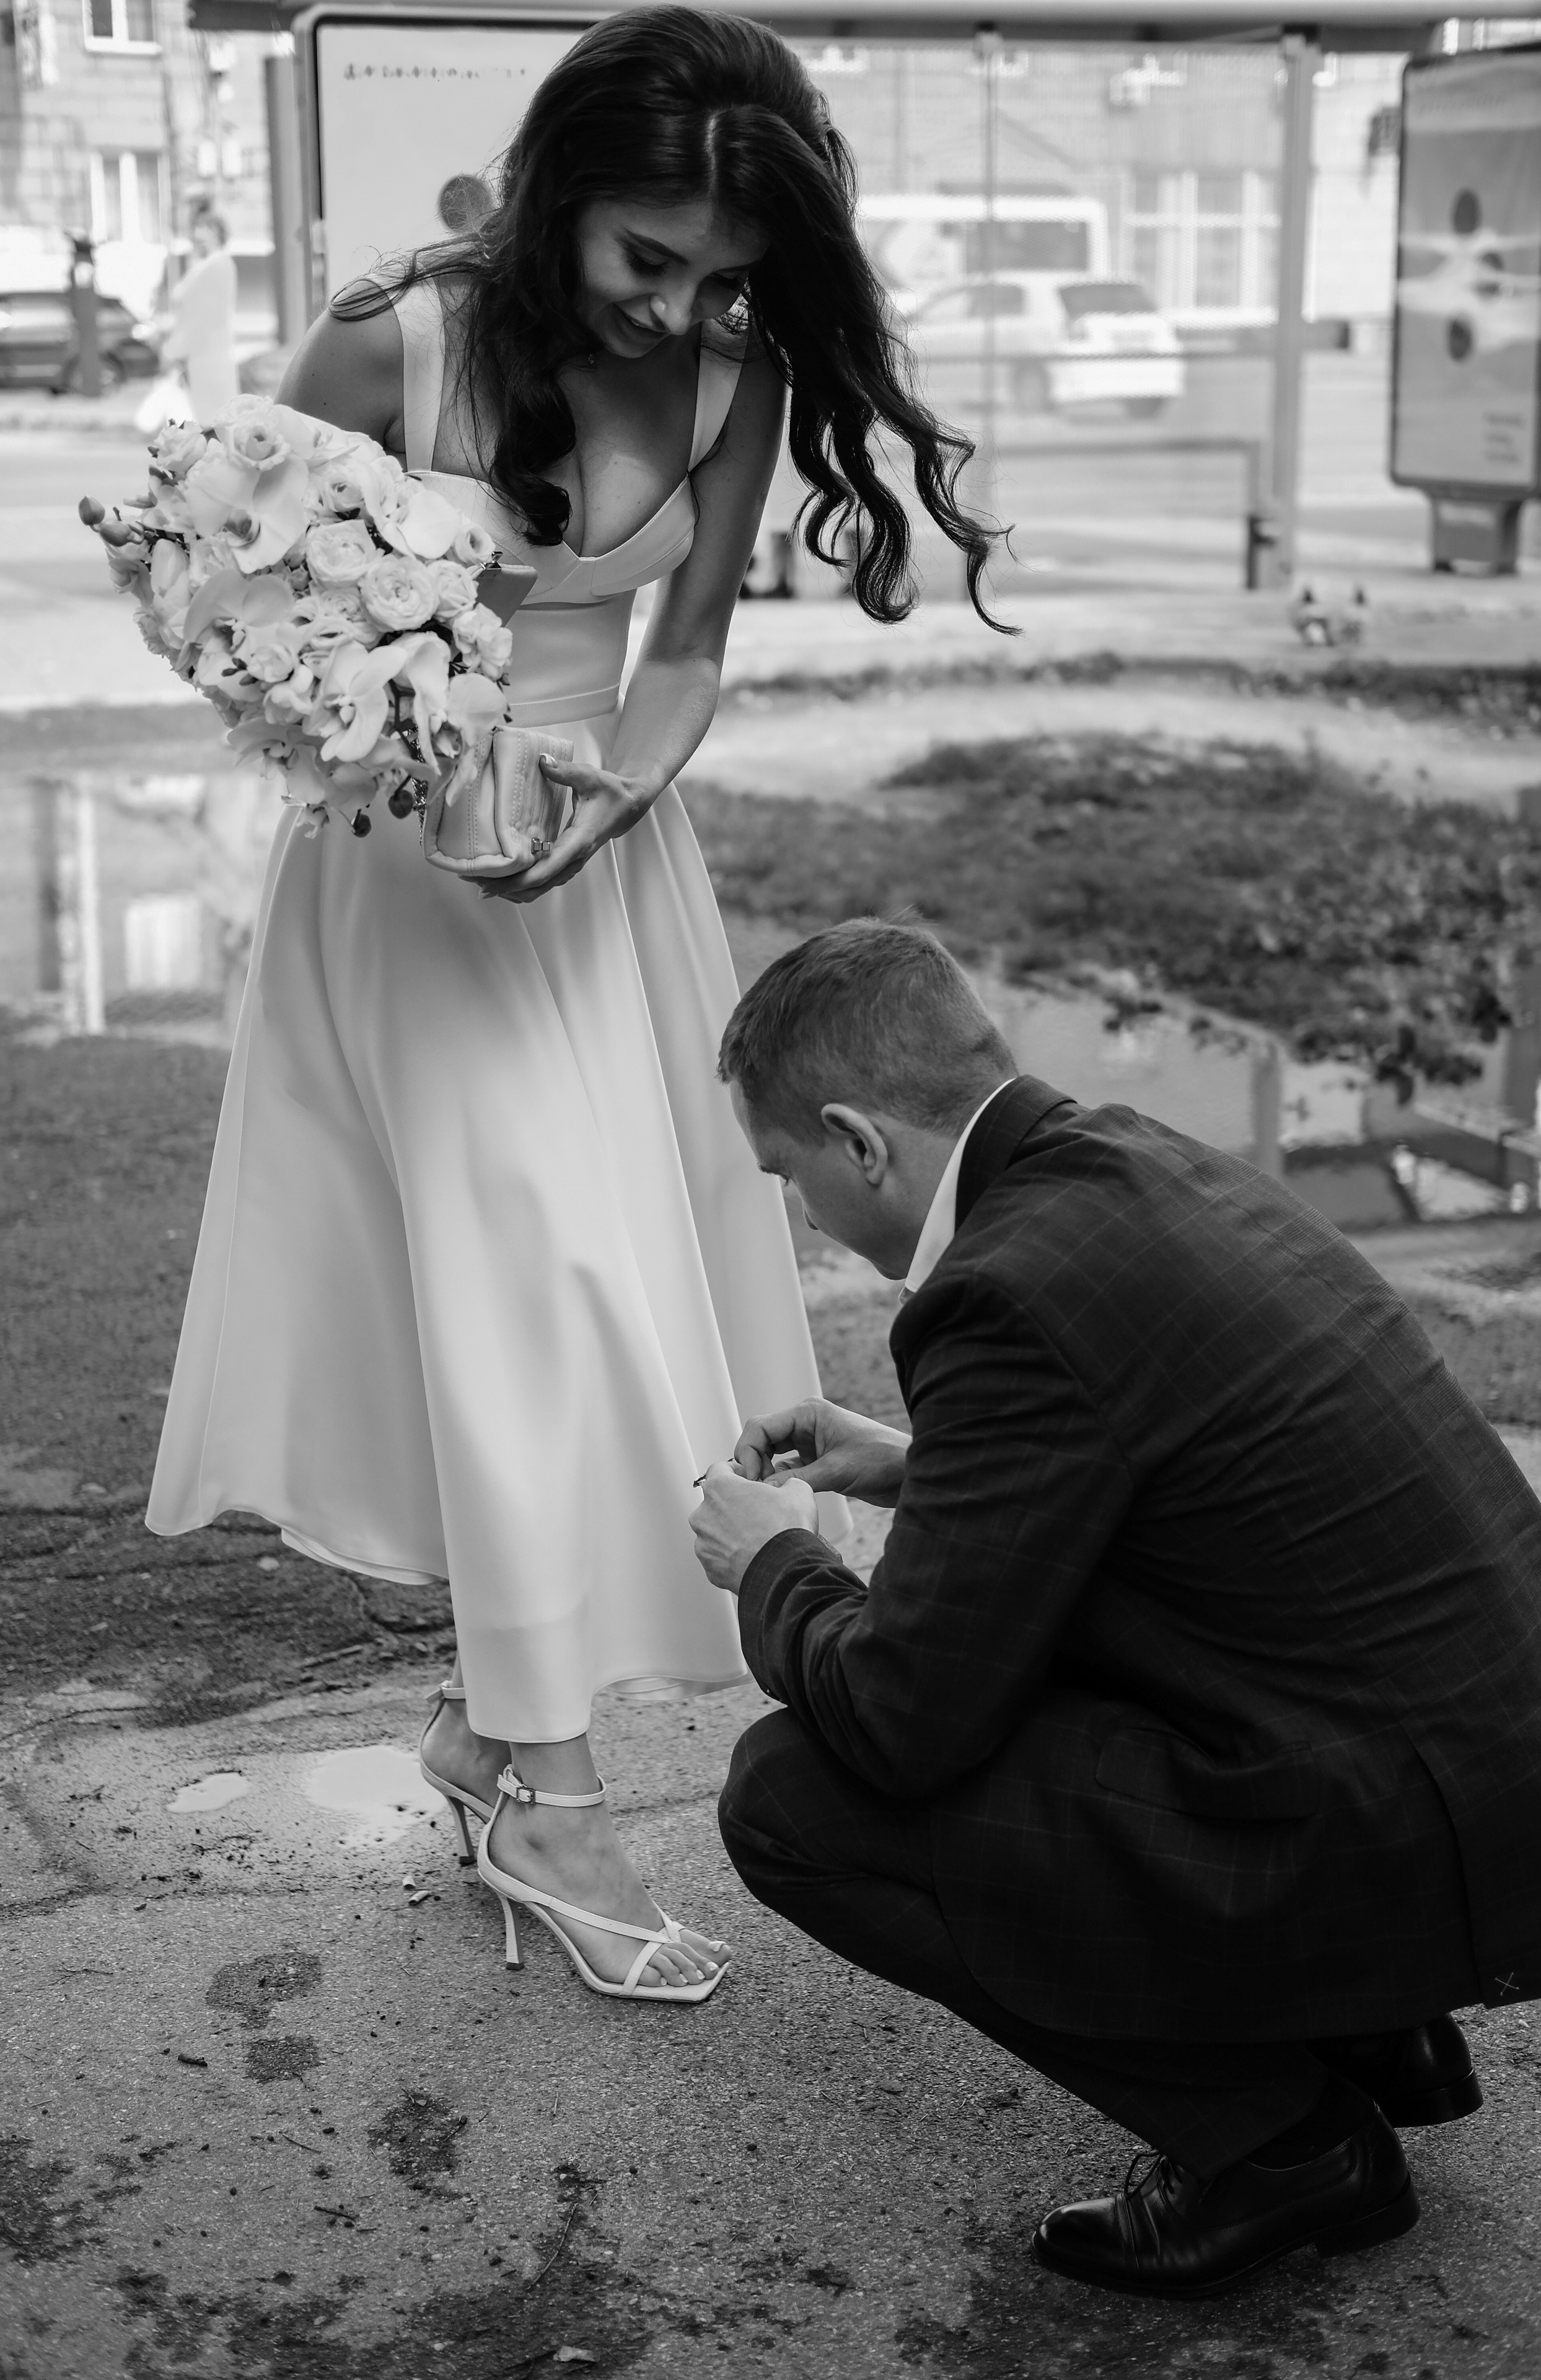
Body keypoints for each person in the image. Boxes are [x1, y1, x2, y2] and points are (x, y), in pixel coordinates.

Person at [147, 11, 1001, 2002]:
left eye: (723, 274)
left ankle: (488, 1729)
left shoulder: (735, 377)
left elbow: (683, 648)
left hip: (609, 862)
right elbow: (253, 626)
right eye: (647, 260)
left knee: (593, 1286)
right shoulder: (390, 346)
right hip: (403, 879)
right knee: (540, 1284)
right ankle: (541, 1788)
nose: (685, 305)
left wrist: (629, 774)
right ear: (550, 196)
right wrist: (382, 746)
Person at [692, 918, 1541, 2290]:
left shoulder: (996, 1297)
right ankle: (1362, 2026)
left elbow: (903, 1719)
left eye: (787, 1173)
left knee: (792, 1799)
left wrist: (775, 1562)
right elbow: (1181, 1472)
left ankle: (1285, 2142)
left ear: (858, 1143)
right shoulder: (1128, 1156)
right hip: (1483, 1763)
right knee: (1037, 1664)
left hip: (1407, 1832)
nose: (800, 1211)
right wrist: (918, 1468)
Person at [162, 211, 238, 421]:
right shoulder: (209, 265)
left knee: (212, 422)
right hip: (203, 354)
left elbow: (203, 317)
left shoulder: (216, 266)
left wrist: (174, 350)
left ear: (216, 235)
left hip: (207, 355)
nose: (197, 239)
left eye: (203, 234)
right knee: (210, 420)